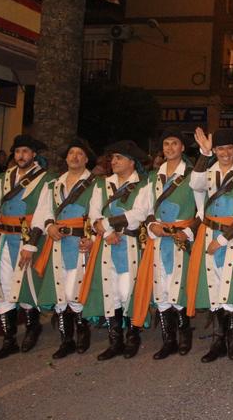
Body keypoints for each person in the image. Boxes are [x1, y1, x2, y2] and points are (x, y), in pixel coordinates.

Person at [0, 134, 51, 359]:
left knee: (27, 286)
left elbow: (43, 213)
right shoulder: (5, 176)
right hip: (3, 240)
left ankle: (32, 328)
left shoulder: (45, 179)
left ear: (34, 155)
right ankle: (9, 339)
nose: (21, 156)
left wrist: (31, 245)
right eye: (18, 151)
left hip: (27, 239)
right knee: (2, 286)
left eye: (25, 152)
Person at [130, 129, 199, 359]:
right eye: (166, 144)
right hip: (159, 240)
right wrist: (152, 226)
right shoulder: (153, 177)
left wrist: (188, 231)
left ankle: (184, 336)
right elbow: (147, 210)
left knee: (179, 287)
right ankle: (168, 340)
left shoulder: (193, 175)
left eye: (175, 144)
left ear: (182, 148)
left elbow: (203, 209)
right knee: (161, 288)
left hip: (181, 240)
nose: (170, 148)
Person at [29, 139, 98, 359]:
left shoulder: (96, 184)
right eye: (71, 153)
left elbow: (97, 214)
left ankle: (82, 333)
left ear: (86, 159)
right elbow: (44, 212)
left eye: (80, 153)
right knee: (61, 292)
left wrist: (93, 238)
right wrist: (49, 226)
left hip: (80, 244)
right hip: (58, 244)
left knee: (76, 289)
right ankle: (66, 340)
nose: (75, 156)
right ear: (66, 158)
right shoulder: (54, 184)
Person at [82, 140, 150, 360]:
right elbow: (93, 214)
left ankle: (132, 338)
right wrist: (105, 232)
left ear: (132, 162)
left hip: (129, 244)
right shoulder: (102, 185)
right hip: (107, 244)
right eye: (113, 158)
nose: (114, 162)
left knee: (128, 290)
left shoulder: (143, 184)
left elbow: (138, 214)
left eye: (119, 158)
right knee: (110, 291)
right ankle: (115, 341)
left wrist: (107, 225)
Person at [188, 128, 233, 363]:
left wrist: (223, 239)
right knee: (213, 286)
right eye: (220, 148)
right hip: (208, 232)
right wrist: (203, 153)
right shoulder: (208, 172)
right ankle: (218, 341)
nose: (225, 152)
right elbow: (195, 184)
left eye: (229, 147)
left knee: (229, 287)